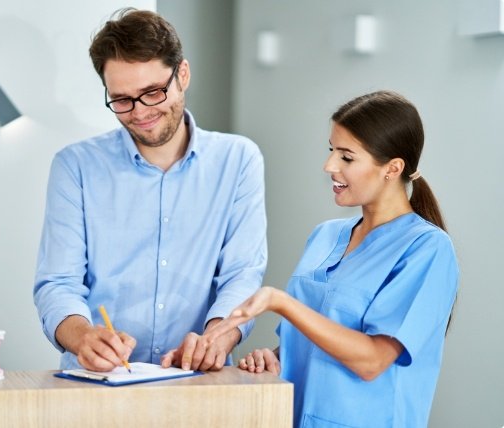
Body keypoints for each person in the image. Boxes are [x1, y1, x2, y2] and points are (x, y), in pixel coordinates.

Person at [204, 90, 458, 427]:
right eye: (331, 150)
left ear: (392, 168)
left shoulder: (427, 250)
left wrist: (281, 302)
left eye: (347, 157)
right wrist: (274, 360)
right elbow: (309, 346)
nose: (329, 166)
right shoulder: (325, 236)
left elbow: (372, 361)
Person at [33, 8, 267, 372]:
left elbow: (242, 274)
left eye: (153, 93)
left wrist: (216, 337)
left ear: (182, 75)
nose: (139, 112)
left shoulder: (238, 160)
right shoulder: (75, 166)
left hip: (197, 379)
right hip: (98, 382)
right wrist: (82, 337)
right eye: (122, 100)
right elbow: (58, 283)